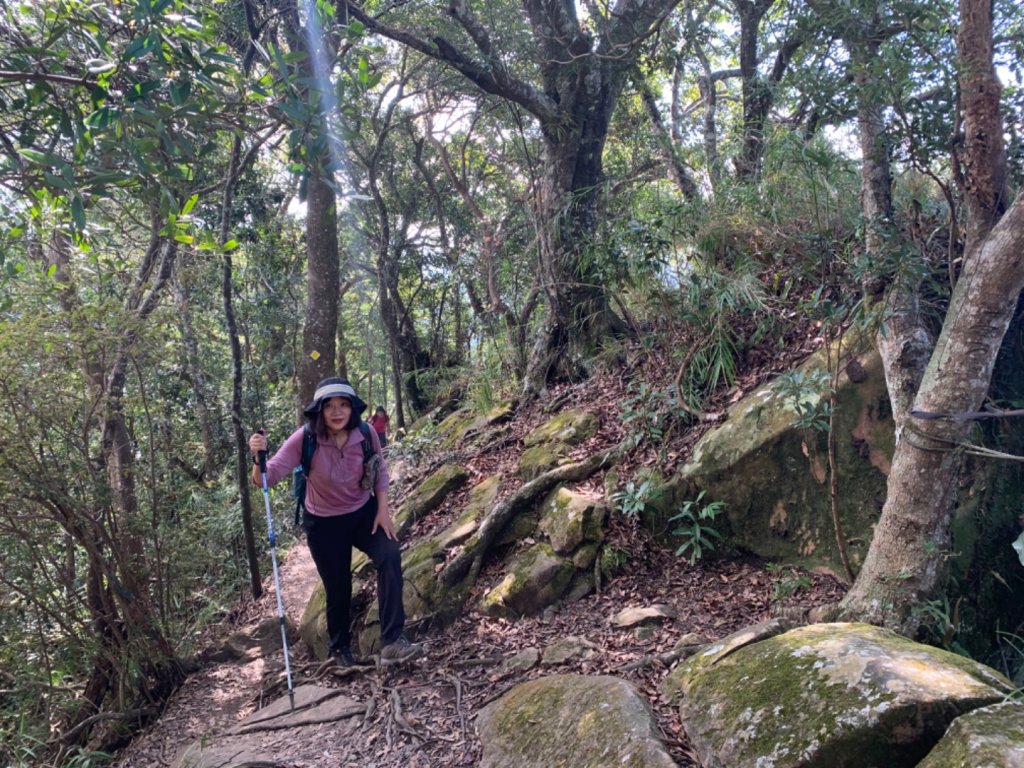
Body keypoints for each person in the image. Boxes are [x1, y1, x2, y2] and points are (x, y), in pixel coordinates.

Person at [248, 377, 422, 667]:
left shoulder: (366, 433)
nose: (337, 412)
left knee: (389, 555)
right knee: (338, 585)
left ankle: (393, 640)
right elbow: (267, 477)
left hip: (363, 512)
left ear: (352, 408)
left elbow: (379, 470)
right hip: (324, 523)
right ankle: (339, 652)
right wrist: (257, 456)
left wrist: (383, 510)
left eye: (343, 405)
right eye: (329, 406)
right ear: (320, 411)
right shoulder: (305, 438)